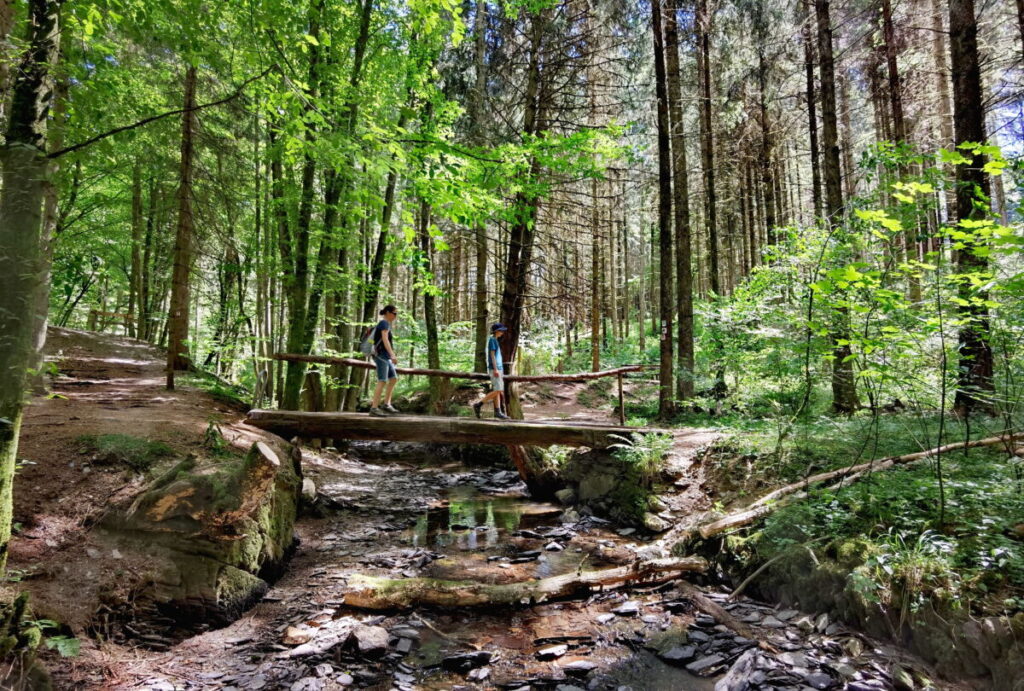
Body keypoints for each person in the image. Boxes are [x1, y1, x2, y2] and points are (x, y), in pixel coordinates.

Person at [472, 323, 510, 420]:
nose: (502, 332)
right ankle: (479, 404)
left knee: (496, 390)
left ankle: (498, 411)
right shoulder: (492, 340)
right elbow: (492, 355)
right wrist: (496, 369)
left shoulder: (495, 340)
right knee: (499, 390)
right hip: (495, 368)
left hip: (498, 368)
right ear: (496, 331)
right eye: (501, 330)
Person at [369, 305, 400, 417]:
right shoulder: (384, 323)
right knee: (382, 380)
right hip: (381, 355)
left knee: (393, 378)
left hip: (385, 356)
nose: (395, 316)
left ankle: (387, 404)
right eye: (394, 313)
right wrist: (392, 355)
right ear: (387, 312)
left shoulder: (386, 324)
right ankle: (374, 408)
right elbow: (385, 340)